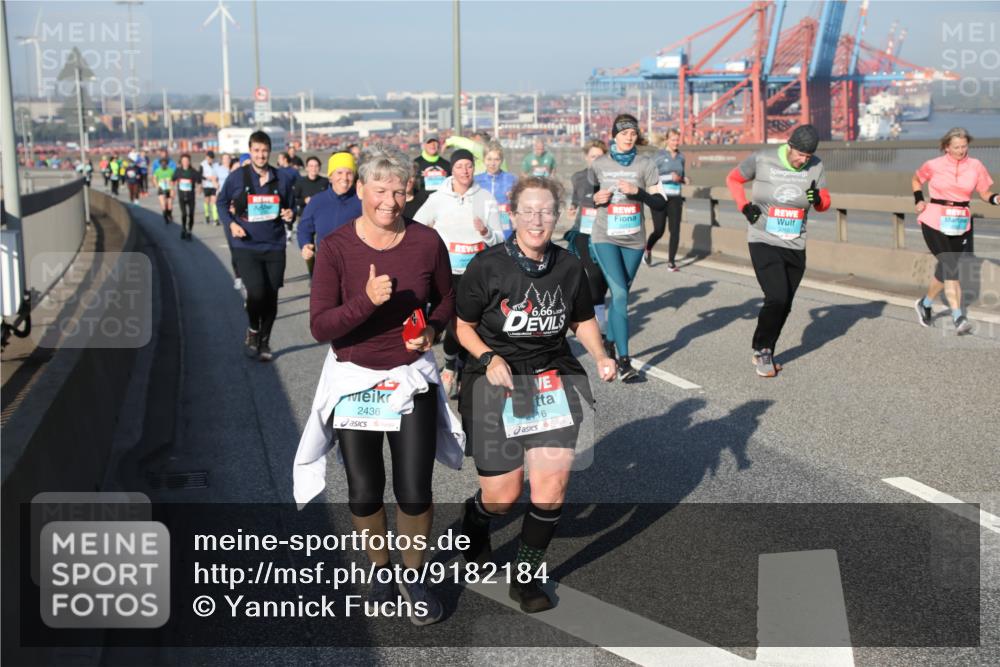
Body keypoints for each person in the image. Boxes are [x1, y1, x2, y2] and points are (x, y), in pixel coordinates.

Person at [299, 142, 461, 625]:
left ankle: (413, 575)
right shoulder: (336, 248)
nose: (390, 201)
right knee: (364, 491)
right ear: (362, 189)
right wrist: (366, 302)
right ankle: (380, 568)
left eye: (399, 191)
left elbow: (448, 301)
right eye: (380, 190)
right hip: (355, 381)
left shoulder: (426, 243)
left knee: (414, 490)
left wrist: (433, 329)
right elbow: (320, 327)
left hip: (409, 379)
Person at [455, 176, 617, 613]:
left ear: (558, 215)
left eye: (545, 211)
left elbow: (582, 319)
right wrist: (489, 358)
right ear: (512, 215)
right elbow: (462, 327)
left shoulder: (568, 267)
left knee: (552, 487)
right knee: (504, 496)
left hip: (550, 378)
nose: (536, 220)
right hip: (494, 378)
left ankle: (526, 577)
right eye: (528, 211)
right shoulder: (487, 266)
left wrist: (600, 354)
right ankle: (475, 518)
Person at [726, 123, 831, 377]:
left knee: (786, 303)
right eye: (799, 155)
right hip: (763, 237)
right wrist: (744, 206)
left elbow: (824, 203)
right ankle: (762, 349)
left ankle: (767, 348)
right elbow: (733, 179)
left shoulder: (816, 166)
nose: (802, 161)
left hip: (795, 242)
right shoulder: (763, 158)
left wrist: (817, 199)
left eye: (807, 157)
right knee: (777, 296)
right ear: (790, 146)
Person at [414, 148, 504, 397]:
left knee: (471, 322)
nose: (465, 171)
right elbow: (417, 227)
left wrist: (485, 232)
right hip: (446, 270)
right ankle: (453, 364)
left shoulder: (485, 197)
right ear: (451, 170)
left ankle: (460, 367)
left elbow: (498, 240)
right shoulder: (437, 197)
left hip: (476, 270)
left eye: (469, 166)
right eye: (459, 166)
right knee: (455, 322)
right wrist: (430, 237)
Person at [589, 114, 667, 382]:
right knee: (620, 294)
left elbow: (660, 204)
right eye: (624, 133)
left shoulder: (646, 164)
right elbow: (591, 194)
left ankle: (609, 341)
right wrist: (596, 198)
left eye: (633, 133)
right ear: (614, 135)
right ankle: (624, 360)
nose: (629, 137)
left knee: (622, 295)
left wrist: (638, 193)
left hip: (634, 240)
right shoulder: (599, 164)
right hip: (605, 237)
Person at [216, 130, 297, 360]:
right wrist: (231, 224)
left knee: (271, 296)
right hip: (246, 246)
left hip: (274, 245)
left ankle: (264, 342)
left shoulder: (282, 178)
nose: (261, 155)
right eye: (256, 151)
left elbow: (290, 209)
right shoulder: (237, 177)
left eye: (264, 151)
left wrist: (290, 214)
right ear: (250, 151)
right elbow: (222, 204)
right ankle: (253, 329)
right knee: (256, 292)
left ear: (270, 152)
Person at [912, 127, 998, 335]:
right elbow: (916, 180)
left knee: (946, 267)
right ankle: (958, 316)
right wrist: (919, 199)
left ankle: (925, 303)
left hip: (960, 222)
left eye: (964, 146)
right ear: (946, 148)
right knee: (950, 265)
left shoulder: (976, 165)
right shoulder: (934, 165)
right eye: (956, 147)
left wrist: (995, 199)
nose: (961, 150)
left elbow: (983, 192)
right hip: (934, 219)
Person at [564, 140, 610, 345]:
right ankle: (599, 321)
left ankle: (593, 308)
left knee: (604, 277)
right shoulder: (578, 177)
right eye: (593, 157)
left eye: (601, 157)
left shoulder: (611, 177)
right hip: (582, 231)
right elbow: (576, 197)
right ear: (586, 157)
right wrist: (572, 207)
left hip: (606, 232)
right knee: (591, 274)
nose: (596, 160)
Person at [298, 152, 361, 276]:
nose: (344, 177)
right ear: (330, 177)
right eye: (339, 173)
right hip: (326, 266)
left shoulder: (362, 201)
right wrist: (305, 244)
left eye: (349, 173)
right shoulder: (317, 201)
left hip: (356, 267)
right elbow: (304, 228)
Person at [647, 129, 690, 270]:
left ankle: (671, 262)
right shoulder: (658, 156)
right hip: (659, 197)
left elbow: (680, 176)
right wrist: (668, 177)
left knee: (675, 230)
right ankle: (647, 248)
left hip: (675, 198)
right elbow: (650, 177)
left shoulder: (681, 158)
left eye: (677, 139)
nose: (676, 142)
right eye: (673, 139)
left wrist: (684, 179)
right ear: (667, 140)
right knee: (659, 230)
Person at [474, 141, 517, 237]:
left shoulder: (511, 179)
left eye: (496, 159)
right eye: (489, 159)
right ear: (483, 159)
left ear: (501, 160)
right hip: (483, 228)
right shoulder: (476, 180)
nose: (492, 163)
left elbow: (520, 204)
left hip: (505, 227)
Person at [172, 154, 202, 240]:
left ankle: (189, 231)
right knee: (184, 214)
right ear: (181, 162)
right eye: (183, 161)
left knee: (191, 215)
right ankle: (183, 229)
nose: (185, 162)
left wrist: (199, 188)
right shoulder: (178, 171)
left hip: (191, 196)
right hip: (181, 196)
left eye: (187, 161)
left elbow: (199, 181)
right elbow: (172, 180)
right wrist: (172, 190)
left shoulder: (193, 171)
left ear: (189, 161)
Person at [200, 151, 222, 226]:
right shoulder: (202, 164)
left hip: (214, 186)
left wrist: (216, 179)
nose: (210, 160)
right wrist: (207, 178)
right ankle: (207, 216)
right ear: (206, 157)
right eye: (208, 158)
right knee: (207, 201)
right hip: (206, 185)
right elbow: (200, 175)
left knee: (214, 201)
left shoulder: (216, 164)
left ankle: (216, 219)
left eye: (211, 159)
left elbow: (219, 172)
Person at [153, 157, 176, 224]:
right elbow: (154, 178)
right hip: (161, 189)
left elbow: (174, 180)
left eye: (164, 163)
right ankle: (165, 217)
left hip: (169, 189)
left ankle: (169, 214)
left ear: (167, 164)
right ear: (160, 164)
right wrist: (157, 186)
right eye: (162, 163)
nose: (163, 164)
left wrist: (172, 188)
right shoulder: (157, 171)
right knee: (163, 204)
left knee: (170, 204)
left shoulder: (170, 170)